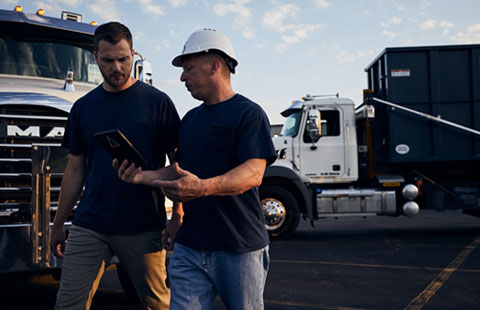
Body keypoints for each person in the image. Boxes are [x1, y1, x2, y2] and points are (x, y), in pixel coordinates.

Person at [116, 28, 276, 310]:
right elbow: (180, 171)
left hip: (239, 248)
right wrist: (143, 177)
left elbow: (253, 173)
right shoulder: (190, 119)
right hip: (190, 246)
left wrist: (201, 188)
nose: (182, 77)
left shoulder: (249, 114)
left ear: (214, 66)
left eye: (188, 68)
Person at [50, 21, 180, 310]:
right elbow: (75, 170)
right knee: (68, 304)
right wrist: (58, 224)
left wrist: (178, 216)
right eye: (108, 60)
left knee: (156, 304)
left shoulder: (158, 103)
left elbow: (179, 165)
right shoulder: (83, 107)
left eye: (123, 58)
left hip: (143, 225)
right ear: (95, 57)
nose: (117, 67)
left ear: (133, 54)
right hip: (90, 224)